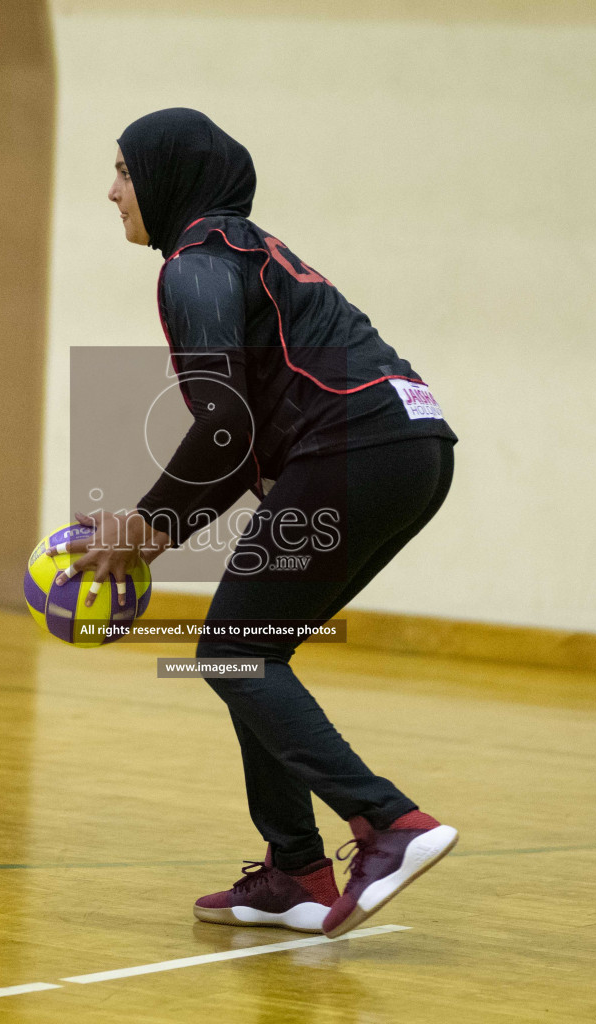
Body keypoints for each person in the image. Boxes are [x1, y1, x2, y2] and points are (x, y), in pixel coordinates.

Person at [51, 108, 458, 938]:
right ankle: (295, 873)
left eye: (123, 171)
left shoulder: (194, 266)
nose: (111, 191)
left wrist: (143, 527)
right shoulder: (240, 249)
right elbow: (236, 450)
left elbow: (221, 430)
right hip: (410, 444)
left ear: (167, 176)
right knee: (250, 650)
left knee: (233, 651)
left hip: (359, 444)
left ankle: (388, 824)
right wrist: (153, 536)